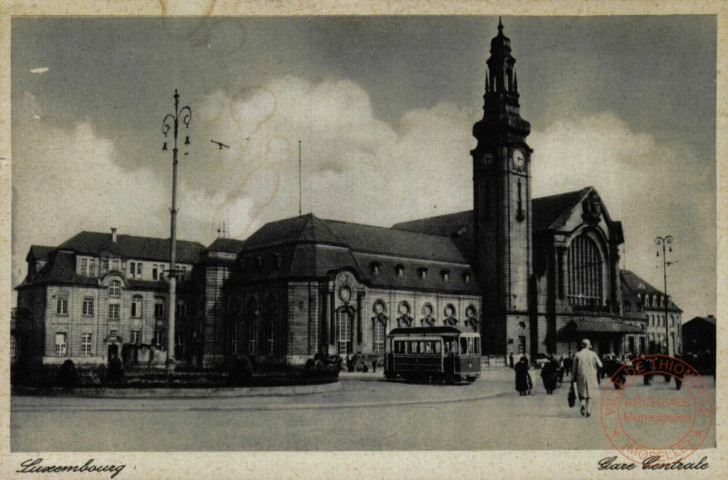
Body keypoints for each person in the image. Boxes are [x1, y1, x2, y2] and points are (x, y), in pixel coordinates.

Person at [572, 339, 602, 417]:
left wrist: (573, 379)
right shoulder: (593, 354)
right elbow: (600, 365)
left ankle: (582, 404)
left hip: (580, 376)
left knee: (582, 394)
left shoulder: (577, 354)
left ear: (582, 345)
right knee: (590, 394)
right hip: (591, 376)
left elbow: (574, 368)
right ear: (589, 345)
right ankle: (588, 411)